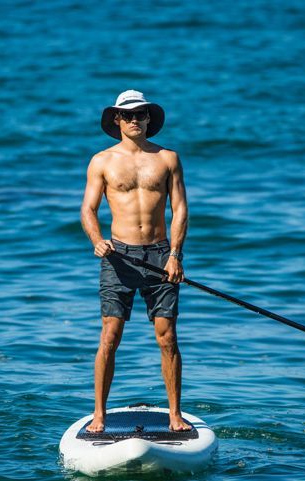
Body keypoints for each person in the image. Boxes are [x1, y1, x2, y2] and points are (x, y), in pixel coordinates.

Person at [80, 90, 191, 433]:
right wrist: (97, 241)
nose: (134, 120)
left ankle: (175, 414)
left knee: (167, 336)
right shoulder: (102, 161)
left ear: (148, 119)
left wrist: (175, 254)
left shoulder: (168, 158)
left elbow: (180, 209)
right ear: (116, 120)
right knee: (110, 336)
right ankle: (99, 414)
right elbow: (88, 209)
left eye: (140, 114)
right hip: (119, 257)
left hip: (160, 256)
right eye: (126, 115)